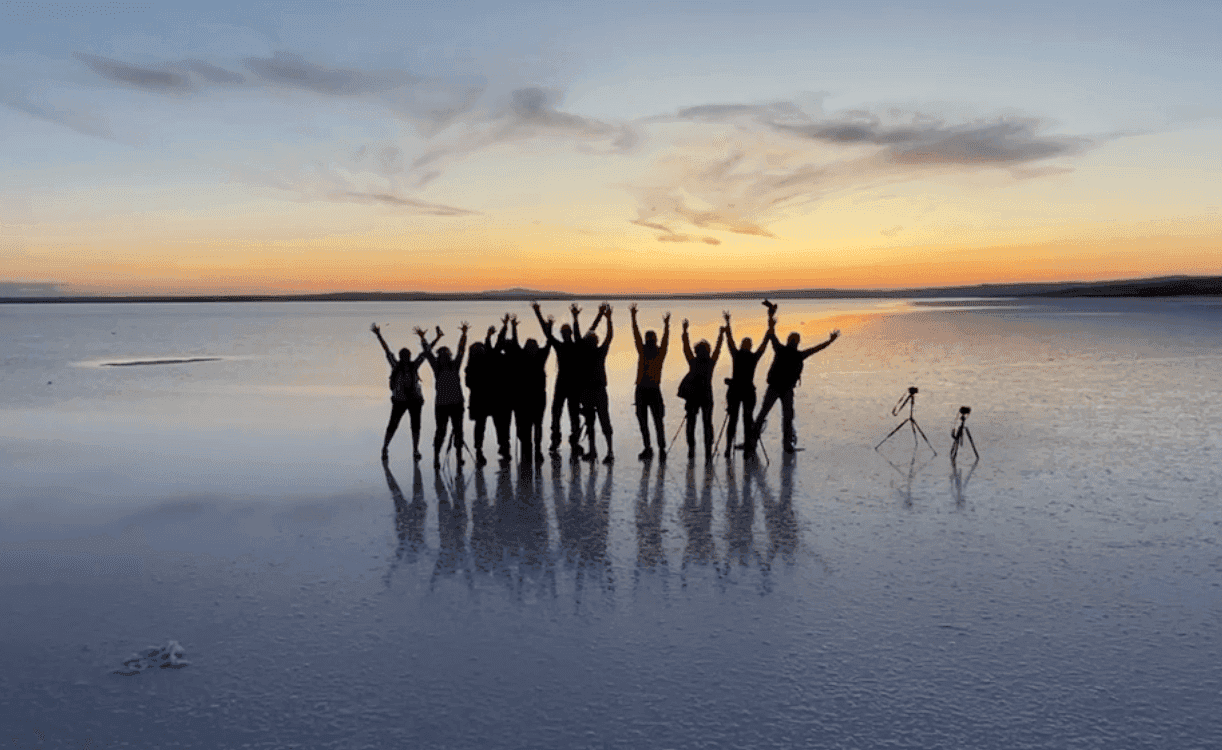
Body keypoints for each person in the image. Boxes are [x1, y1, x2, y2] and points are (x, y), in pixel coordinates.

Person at [744, 303, 839, 455]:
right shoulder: (796, 354)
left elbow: (771, 333)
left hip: (778, 388)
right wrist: (830, 341)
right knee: (783, 416)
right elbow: (816, 348)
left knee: (769, 414)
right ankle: (782, 444)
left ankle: (755, 441)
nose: (795, 343)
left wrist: (770, 317)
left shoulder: (781, 350)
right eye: (795, 340)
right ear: (795, 342)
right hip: (781, 389)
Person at [371, 323, 439, 461]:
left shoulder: (414, 366)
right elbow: (386, 350)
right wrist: (379, 336)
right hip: (400, 401)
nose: (405, 357)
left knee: (415, 426)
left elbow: (427, 352)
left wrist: (433, 338)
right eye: (403, 355)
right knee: (393, 425)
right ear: (401, 356)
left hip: (414, 400)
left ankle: (415, 450)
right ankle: (385, 447)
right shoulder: (396, 366)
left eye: (406, 355)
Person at [534, 302, 584, 458]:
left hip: (572, 385)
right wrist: (538, 314)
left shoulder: (576, 346)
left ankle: (573, 440)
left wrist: (575, 318)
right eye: (563, 332)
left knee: (573, 414)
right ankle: (556, 440)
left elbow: (577, 334)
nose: (565, 335)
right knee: (557, 413)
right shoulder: (561, 346)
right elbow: (547, 334)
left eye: (566, 332)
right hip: (562, 384)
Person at [419, 322, 469, 468]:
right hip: (442, 405)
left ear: (448, 356)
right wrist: (423, 338)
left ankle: (459, 457)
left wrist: (464, 334)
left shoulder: (455, 366)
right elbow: (428, 353)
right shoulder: (437, 368)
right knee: (441, 431)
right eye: (441, 355)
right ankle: (436, 457)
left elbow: (461, 350)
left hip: (456, 404)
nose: (443, 357)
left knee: (458, 431)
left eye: (445, 355)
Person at [721, 310, 769, 457]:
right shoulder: (753, 357)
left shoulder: (737, 355)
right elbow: (763, 345)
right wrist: (769, 329)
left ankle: (729, 447)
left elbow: (729, 341)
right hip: (748, 392)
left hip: (735, 391)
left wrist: (728, 324)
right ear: (750, 346)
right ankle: (747, 450)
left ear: (742, 345)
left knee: (733, 420)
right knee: (747, 421)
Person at [678, 318, 725, 461]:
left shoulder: (694, 362)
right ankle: (706, 450)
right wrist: (721, 335)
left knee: (694, 422)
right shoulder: (710, 362)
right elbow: (717, 349)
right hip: (704, 396)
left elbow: (686, 348)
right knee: (705, 422)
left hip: (695, 396)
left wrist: (685, 332)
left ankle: (693, 449)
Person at [630, 303, 670, 461]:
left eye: (650, 339)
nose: (649, 341)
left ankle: (660, 448)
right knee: (645, 422)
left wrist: (667, 326)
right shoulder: (646, 350)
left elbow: (665, 340)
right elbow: (636, 335)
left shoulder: (657, 352)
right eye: (649, 339)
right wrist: (633, 318)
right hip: (643, 390)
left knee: (656, 421)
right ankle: (650, 448)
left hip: (651, 390)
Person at [579, 303, 614, 464]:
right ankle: (594, 451)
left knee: (602, 421)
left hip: (596, 391)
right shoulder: (590, 353)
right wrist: (604, 318)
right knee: (592, 423)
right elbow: (606, 336)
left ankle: (608, 451)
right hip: (589, 391)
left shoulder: (595, 353)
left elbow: (608, 337)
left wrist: (607, 319)